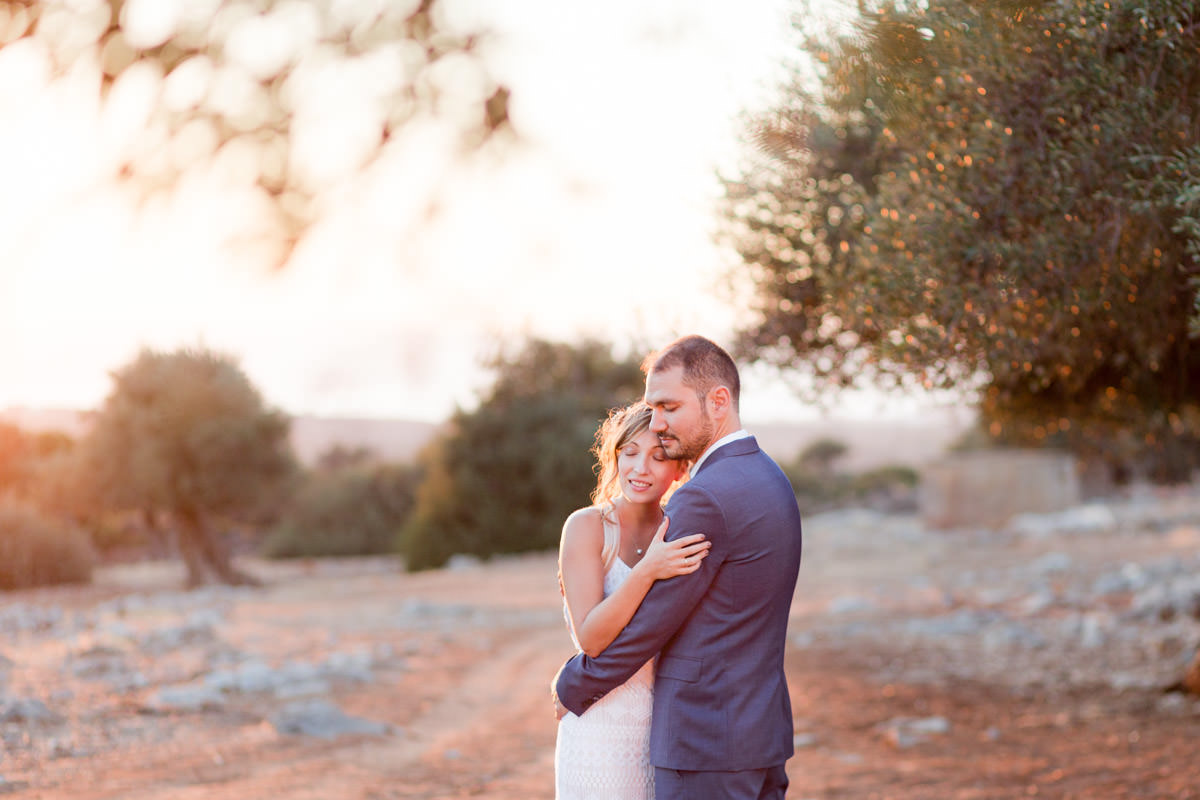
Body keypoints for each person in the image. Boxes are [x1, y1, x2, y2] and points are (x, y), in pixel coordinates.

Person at [553, 335, 804, 800]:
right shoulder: (771, 477)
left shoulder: (704, 496)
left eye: (669, 406)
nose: (659, 423)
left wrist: (574, 682)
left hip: (706, 737)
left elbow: (655, 621)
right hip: (758, 732)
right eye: (654, 407)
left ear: (719, 400)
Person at [555, 401, 712, 799]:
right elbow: (591, 639)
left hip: (665, 727)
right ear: (615, 457)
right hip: (598, 727)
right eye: (629, 453)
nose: (640, 468)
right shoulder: (588, 527)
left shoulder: (681, 532)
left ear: (679, 469)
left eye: (658, 457)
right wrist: (647, 571)